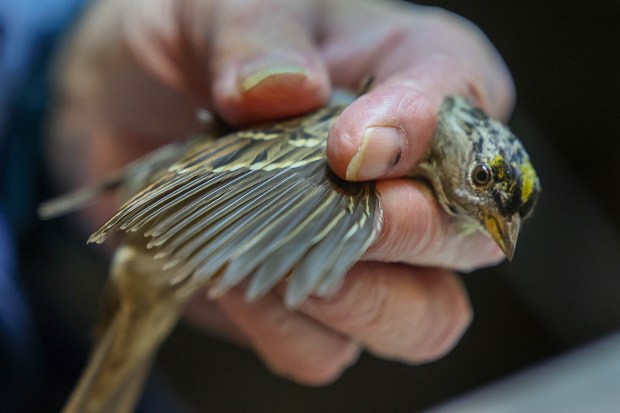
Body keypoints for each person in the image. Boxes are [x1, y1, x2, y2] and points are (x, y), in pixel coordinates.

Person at [3, 0, 517, 410]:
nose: (498, 228)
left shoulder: (378, 133)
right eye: (479, 178)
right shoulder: (360, 150)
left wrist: (71, 73)